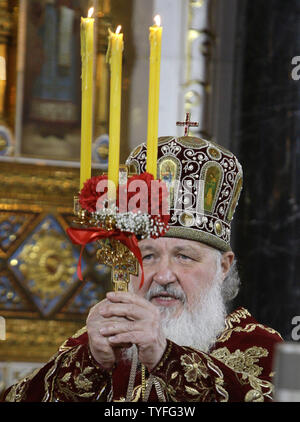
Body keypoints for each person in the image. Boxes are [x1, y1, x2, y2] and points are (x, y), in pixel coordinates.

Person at [1, 134, 282, 402]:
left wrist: (166, 356)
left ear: (223, 267)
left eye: (184, 256)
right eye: (147, 256)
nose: (163, 275)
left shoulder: (260, 347)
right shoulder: (98, 344)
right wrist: (90, 363)